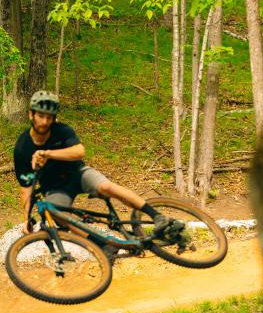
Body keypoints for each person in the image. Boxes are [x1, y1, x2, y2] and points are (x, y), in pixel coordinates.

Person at [13, 90, 177, 237]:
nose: (44, 122)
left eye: (49, 117)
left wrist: (48, 154)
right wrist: (26, 218)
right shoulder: (23, 148)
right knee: (57, 214)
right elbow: (26, 188)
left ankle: (157, 215)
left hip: (78, 174)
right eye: (41, 116)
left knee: (107, 187)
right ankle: (99, 244)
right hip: (54, 187)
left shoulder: (62, 130)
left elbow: (79, 151)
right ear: (31, 115)